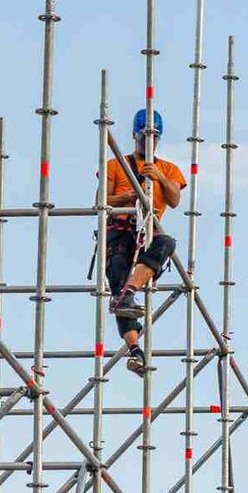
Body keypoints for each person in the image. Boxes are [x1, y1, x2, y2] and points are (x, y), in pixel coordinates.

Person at [104, 108, 186, 376]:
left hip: (147, 233)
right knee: (118, 282)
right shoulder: (116, 165)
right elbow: (102, 199)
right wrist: (127, 198)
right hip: (120, 230)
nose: (147, 143)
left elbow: (174, 200)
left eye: (152, 139)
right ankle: (134, 350)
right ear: (134, 136)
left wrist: (159, 178)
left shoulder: (167, 169)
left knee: (166, 243)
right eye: (143, 138)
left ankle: (129, 292)